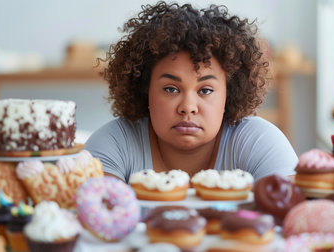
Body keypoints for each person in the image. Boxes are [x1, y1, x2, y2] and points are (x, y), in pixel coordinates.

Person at [85, 1, 298, 183]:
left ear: (229, 94)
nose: (188, 107)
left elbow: (294, 217)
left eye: (205, 90)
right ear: (145, 89)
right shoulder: (113, 143)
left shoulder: (260, 142)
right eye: (170, 89)